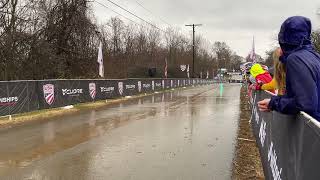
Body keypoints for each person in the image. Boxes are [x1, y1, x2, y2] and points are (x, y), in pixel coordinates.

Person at [258, 16, 320, 121]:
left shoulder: (295, 59)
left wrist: (273, 103)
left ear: (284, 38)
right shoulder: (315, 56)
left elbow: (305, 103)